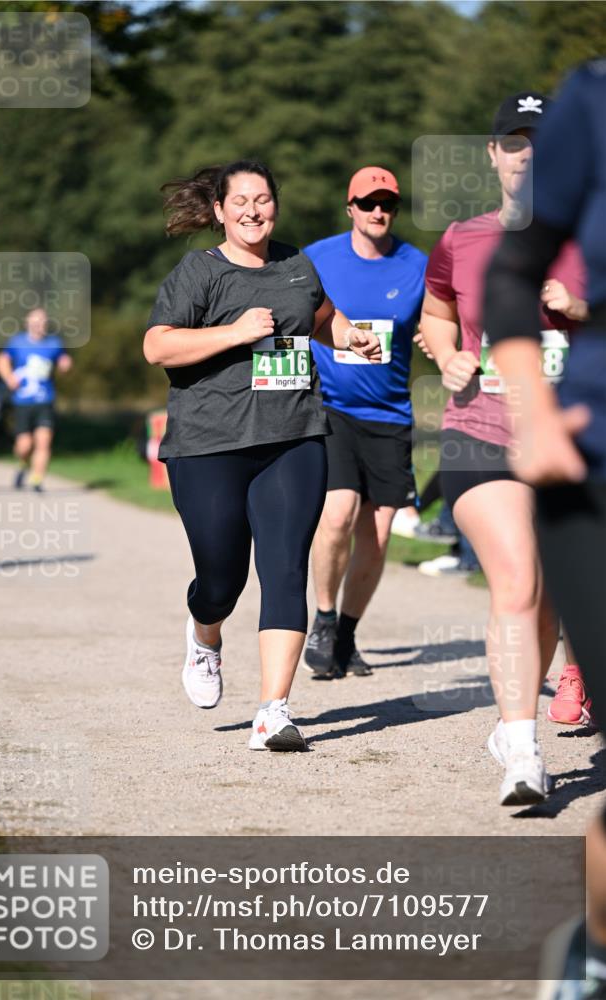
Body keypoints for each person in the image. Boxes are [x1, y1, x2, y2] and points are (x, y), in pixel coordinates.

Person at [143, 160, 382, 752]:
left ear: (276, 205)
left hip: (293, 438)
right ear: (220, 210)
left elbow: (321, 318)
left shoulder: (297, 265)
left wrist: (351, 337)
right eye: (241, 201)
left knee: (284, 569)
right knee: (221, 577)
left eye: (264, 199)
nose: (254, 210)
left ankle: (273, 710)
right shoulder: (200, 271)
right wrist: (234, 332)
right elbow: (158, 346)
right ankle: (205, 634)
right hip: (208, 445)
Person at [419, 92, 588, 806]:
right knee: (516, 578)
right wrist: (444, 356)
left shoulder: (591, 237)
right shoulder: (461, 237)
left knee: (547, 593)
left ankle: (516, 725)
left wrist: (580, 310)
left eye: (538, 144)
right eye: (511, 143)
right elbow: (435, 313)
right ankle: (520, 750)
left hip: (571, 438)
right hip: (478, 434)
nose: (525, 155)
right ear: (492, 154)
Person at [484, 61, 606, 995]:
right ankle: (594, 955)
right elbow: (513, 268)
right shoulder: (591, 102)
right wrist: (529, 409)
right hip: (589, 462)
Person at [302, 166, 427, 679]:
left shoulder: (416, 265)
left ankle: (347, 637)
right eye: (369, 203)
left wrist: (434, 336)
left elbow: (443, 319)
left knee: (377, 535)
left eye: (388, 204)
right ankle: (324, 621)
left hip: (390, 414)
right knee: (337, 516)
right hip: (331, 407)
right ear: (349, 207)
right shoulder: (318, 257)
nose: (379, 212)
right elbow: (292, 310)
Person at [0, 307, 72, 491]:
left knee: (43, 441)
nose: (39, 325)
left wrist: (66, 365)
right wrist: (9, 378)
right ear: (28, 323)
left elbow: (63, 360)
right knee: (24, 445)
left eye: (43, 321)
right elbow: (1, 360)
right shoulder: (17, 342)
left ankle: (37, 479)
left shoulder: (54, 343)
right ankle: (22, 464)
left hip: (45, 401)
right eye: (35, 321)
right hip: (22, 401)